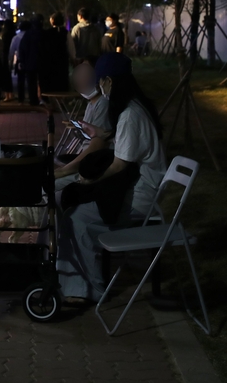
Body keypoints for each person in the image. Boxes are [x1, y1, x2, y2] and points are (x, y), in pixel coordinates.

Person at [55, 53, 168, 305]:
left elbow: (119, 165)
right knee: (70, 202)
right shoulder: (135, 107)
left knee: (75, 218)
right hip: (137, 186)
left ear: (110, 81)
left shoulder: (130, 115)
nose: (99, 87)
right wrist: (102, 133)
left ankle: (88, 289)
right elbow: (124, 145)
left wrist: (89, 181)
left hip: (140, 196)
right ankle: (70, 277)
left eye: (101, 81)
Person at [53, 56, 111, 186]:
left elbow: (97, 145)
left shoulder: (103, 104)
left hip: (91, 163)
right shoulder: (91, 103)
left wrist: (64, 171)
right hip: (84, 158)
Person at [17, 14, 45, 105]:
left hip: (30, 63)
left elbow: (22, 48)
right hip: (42, 62)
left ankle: (33, 101)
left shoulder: (28, 34)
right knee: (43, 82)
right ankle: (43, 99)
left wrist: (21, 61)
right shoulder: (44, 33)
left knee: (31, 83)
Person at [39, 12, 71, 93]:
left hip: (50, 62)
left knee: (52, 84)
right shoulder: (65, 32)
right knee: (62, 83)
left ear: (52, 21)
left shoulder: (47, 33)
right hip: (62, 61)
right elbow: (71, 47)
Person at [8, 20, 29, 102]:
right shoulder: (31, 36)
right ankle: (33, 99)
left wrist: (10, 62)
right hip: (30, 60)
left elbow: (11, 51)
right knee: (32, 80)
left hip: (20, 61)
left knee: (21, 80)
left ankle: (21, 99)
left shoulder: (16, 37)